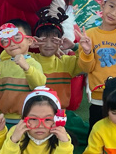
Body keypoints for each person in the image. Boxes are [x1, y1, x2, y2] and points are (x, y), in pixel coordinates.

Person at [30, 10, 87, 141]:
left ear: (60, 41)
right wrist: (27, 44)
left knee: (89, 134)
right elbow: (9, 57)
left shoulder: (66, 62)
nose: (48, 45)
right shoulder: (30, 59)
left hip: (60, 114)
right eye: (44, 40)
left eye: (53, 40)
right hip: (35, 115)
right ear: (36, 40)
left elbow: (87, 64)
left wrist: (74, 47)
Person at [0, 21, 46, 125]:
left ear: (29, 41)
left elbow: (39, 87)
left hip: (26, 121)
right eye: (6, 40)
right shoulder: (1, 66)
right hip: (3, 119)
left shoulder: (34, 65)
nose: (12, 43)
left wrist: (27, 68)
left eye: (17, 37)